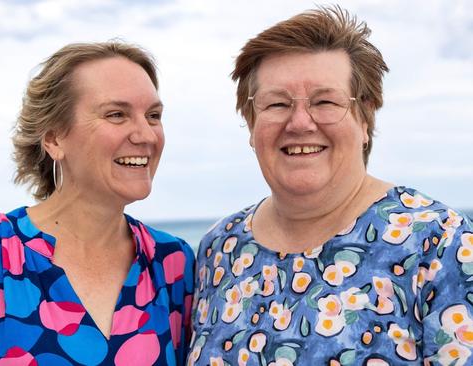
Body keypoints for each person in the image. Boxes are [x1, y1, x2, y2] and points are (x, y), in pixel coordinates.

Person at [0, 41, 194, 366]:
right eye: (116, 114)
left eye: (153, 116)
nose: (147, 135)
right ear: (54, 138)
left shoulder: (172, 264)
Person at [188, 6, 473, 366]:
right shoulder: (219, 249)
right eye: (277, 104)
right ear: (251, 122)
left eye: (325, 101)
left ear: (365, 118)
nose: (300, 122)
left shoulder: (441, 244)